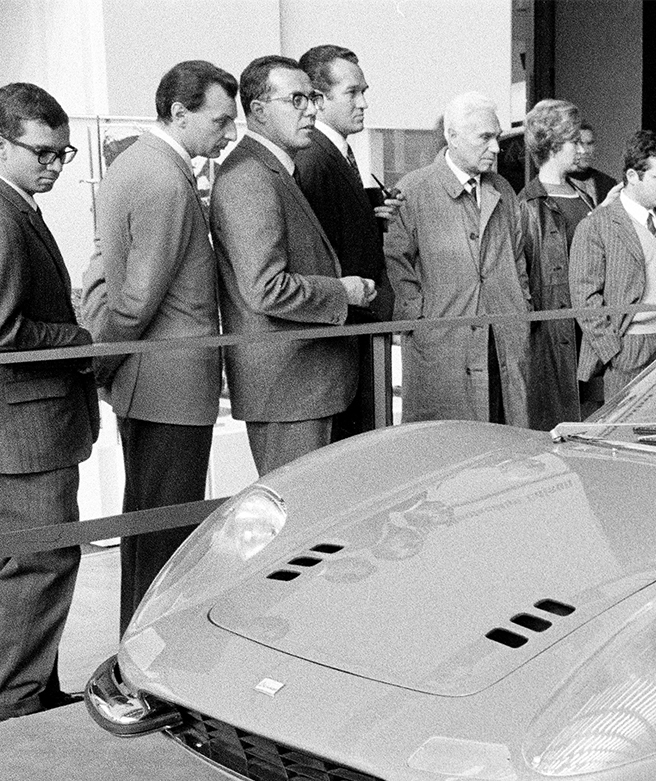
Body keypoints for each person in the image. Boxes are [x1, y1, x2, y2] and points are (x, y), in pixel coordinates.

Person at [0, 83, 99, 728]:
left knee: (32, 565)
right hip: (19, 431)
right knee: (34, 566)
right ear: (0, 143)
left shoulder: (9, 205)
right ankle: (9, 708)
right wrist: (83, 339)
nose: (55, 166)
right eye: (43, 153)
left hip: (23, 426)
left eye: (63, 154)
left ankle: (27, 694)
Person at [80, 61, 237, 636]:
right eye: (220, 121)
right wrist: (101, 365)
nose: (227, 135)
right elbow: (136, 301)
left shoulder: (139, 166)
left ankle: (140, 647)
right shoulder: (164, 178)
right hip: (167, 386)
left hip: (154, 382)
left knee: (150, 527)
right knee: (164, 534)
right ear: (179, 113)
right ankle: (148, 655)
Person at [213, 55, 375, 476]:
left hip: (304, 385)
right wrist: (345, 291)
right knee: (296, 520)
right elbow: (266, 288)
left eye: (313, 98)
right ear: (259, 110)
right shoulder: (250, 176)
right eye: (298, 99)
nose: (311, 109)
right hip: (288, 390)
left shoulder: (277, 170)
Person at [385, 91, 532, 425]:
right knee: (449, 446)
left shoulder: (503, 190)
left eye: (496, 137)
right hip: (444, 349)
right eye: (485, 138)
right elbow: (397, 265)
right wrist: (421, 323)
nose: (496, 148)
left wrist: (521, 307)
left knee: (505, 438)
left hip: (502, 341)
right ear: (451, 136)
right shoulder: (414, 190)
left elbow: (518, 258)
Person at [295, 45, 402, 442]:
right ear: (318, 101)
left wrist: (369, 216)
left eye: (364, 92)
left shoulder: (335, 154)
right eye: (352, 93)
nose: (363, 104)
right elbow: (318, 251)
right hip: (340, 337)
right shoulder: (314, 160)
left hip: (354, 334)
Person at [571, 130, 656, 398]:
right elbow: (584, 297)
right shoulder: (596, 225)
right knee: (627, 431)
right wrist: (613, 349)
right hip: (630, 347)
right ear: (633, 177)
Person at [519, 99, 590, 429]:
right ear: (555, 143)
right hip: (552, 336)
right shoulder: (528, 205)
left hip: (587, 329)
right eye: (575, 140)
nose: (580, 148)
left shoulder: (583, 194)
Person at [568, 120, 617, 207]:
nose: (585, 150)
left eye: (589, 143)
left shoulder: (607, 183)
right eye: (580, 143)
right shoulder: (560, 181)